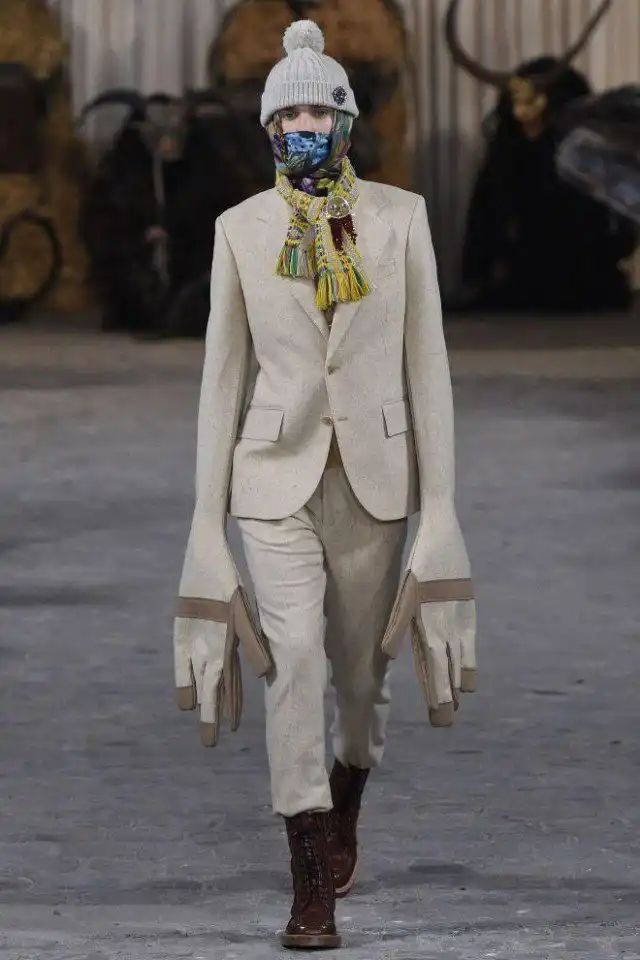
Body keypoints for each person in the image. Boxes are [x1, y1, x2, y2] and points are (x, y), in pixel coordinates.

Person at [173, 19, 476, 950]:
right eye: (288, 113)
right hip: (273, 478)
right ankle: (310, 877)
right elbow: (222, 379)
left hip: (377, 481)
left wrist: (443, 511)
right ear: (269, 125)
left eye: (318, 111)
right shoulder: (240, 231)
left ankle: (346, 795)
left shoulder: (401, 219)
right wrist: (204, 525)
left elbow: (428, 368)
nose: (302, 125)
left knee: (361, 679)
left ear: (345, 119)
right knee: (294, 658)